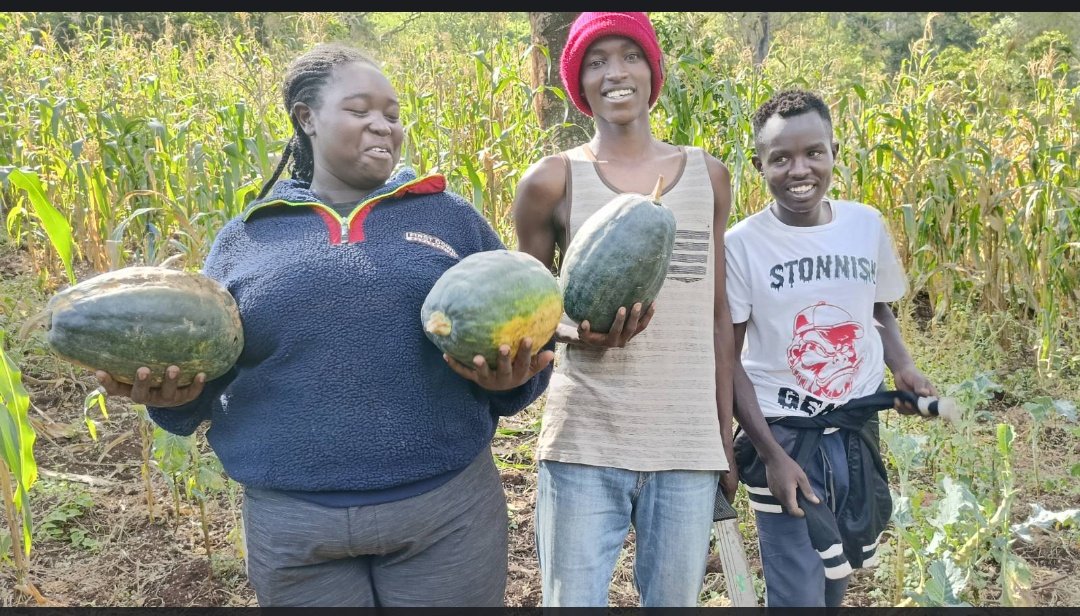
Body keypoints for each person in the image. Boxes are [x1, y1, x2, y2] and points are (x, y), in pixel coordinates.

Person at [94, 42, 555, 607]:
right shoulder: (246, 238)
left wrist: (513, 383)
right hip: (293, 529)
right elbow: (203, 379)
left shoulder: (449, 216)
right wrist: (168, 397)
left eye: (392, 114)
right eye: (360, 110)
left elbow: (519, 329)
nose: (382, 126)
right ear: (306, 118)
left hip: (446, 515)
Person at [511, 12, 808, 607]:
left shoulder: (710, 176)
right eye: (596, 62)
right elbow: (528, 312)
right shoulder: (550, 180)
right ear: (578, 82)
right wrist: (577, 334)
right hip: (583, 439)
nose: (615, 72)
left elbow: (719, 318)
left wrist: (722, 437)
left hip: (686, 442)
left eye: (629, 56)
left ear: (652, 70)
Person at [725, 88, 940, 607]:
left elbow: (877, 309)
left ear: (834, 153)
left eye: (813, 153)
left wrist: (904, 367)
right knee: (797, 585)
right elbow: (727, 359)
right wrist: (772, 454)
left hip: (854, 424)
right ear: (759, 165)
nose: (799, 170)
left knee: (839, 564)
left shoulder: (864, 224)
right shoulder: (742, 244)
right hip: (784, 433)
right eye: (781, 159)